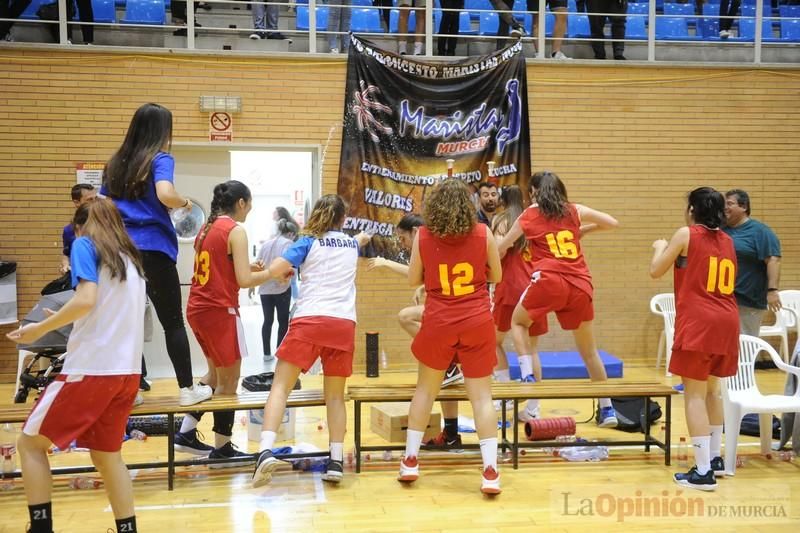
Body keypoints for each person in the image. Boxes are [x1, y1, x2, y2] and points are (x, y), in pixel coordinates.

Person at [9, 199, 145, 533]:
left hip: (91, 370)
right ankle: (127, 529)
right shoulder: (132, 260)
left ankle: (41, 528)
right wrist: (64, 318)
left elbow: (86, 299)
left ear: (80, 227)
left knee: (29, 445)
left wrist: (39, 329)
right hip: (126, 374)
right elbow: (103, 312)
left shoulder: (86, 244)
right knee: (107, 455)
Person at [252, 195, 370, 487]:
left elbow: (277, 269)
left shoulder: (307, 241)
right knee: (335, 396)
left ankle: (265, 450)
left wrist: (261, 274)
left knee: (280, 387)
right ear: (342, 219)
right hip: (343, 323)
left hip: (310, 319)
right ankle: (336, 460)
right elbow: (362, 239)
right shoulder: (351, 244)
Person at [101, 102, 211, 407]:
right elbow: (165, 193)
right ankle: (187, 390)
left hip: (121, 250)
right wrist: (186, 203)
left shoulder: (115, 164)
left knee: (127, 323)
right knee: (172, 322)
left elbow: (101, 204)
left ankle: (130, 392)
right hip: (154, 250)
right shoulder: (160, 159)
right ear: (162, 131)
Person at [397, 179, 503, 494]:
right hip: (476, 319)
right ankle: (490, 472)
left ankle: (410, 461)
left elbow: (413, 279)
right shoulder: (483, 234)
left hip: (439, 319)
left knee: (424, 393)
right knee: (482, 398)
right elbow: (496, 276)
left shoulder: (423, 236)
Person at [174, 181, 289, 464]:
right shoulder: (236, 230)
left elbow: (218, 265)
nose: (250, 210)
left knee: (213, 376)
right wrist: (274, 272)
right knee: (229, 382)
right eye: (249, 204)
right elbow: (244, 281)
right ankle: (222, 447)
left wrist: (248, 266)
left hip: (198, 308)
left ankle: (186, 433)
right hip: (218, 310)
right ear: (241, 203)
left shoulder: (208, 227)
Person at [497, 171, 619, 428]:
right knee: (589, 352)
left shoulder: (529, 213)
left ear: (533, 192)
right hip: (580, 284)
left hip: (549, 280)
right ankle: (607, 409)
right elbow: (611, 222)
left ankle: (528, 375)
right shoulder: (573, 209)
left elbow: (503, 246)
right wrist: (581, 230)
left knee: (518, 323)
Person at [650, 187, 740, 490]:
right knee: (713, 392)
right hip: (727, 319)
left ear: (692, 210)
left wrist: (659, 247)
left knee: (694, 396)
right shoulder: (728, 240)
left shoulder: (686, 234)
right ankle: (714, 458)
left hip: (700, 321)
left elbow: (655, 271)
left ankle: (703, 472)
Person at [367, 213, 464, 449]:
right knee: (445, 382)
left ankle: (413, 451)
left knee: (405, 316)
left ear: (416, 231)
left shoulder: (430, 242)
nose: (402, 244)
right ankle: (451, 433)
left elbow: (416, 274)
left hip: (451, 315)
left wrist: (386, 262)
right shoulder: (439, 243)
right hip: (452, 315)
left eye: (403, 238)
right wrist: (424, 285)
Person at [491, 185, 546, 420]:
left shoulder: (502, 220)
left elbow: (499, 253)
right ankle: (533, 409)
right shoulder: (532, 219)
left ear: (503, 200)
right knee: (532, 349)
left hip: (511, 286)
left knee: (493, 342)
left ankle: (504, 396)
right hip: (535, 286)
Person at [722, 189, 782, 338]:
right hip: (723, 299)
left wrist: (772, 290)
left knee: (744, 346)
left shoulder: (760, 231)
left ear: (744, 207)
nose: (725, 207)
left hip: (747, 301)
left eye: (729, 203)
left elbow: (773, 260)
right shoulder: (721, 230)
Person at [256, 208, 299, 361]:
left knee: (267, 321)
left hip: (265, 289)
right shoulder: (288, 244)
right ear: (290, 233)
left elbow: (257, 265)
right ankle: (280, 352)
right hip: (282, 289)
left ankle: (266, 354)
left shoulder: (266, 244)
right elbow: (290, 266)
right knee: (282, 321)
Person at [61, 183, 97, 274]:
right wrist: (65, 265)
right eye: (89, 200)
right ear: (77, 202)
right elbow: (66, 254)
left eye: (95, 199)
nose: (94, 203)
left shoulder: (107, 224)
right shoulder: (69, 230)